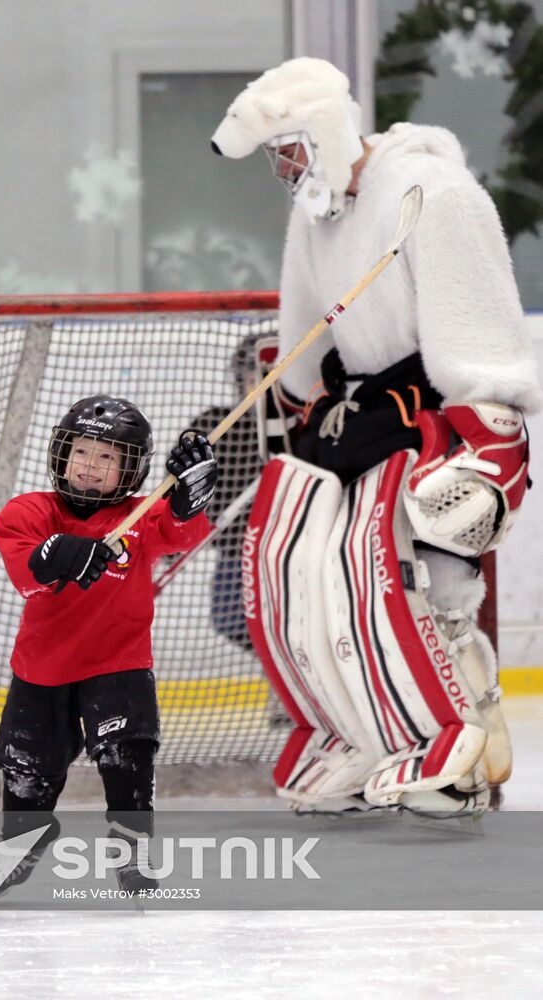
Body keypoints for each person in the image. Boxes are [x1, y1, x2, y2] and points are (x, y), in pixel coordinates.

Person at [211, 57, 540, 815]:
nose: (284, 167)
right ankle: (371, 739)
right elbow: (302, 335)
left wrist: (488, 437)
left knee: (432, 587)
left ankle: (459, 754)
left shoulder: (434, 193)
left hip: (430, 406)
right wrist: (298, 402)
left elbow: (481, 325)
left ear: (324, 130)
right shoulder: (317, 210)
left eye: (289, 147)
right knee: (329, 584)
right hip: (360, 413)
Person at [0, 395, 216, 898]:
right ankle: (20, 844)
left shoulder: (140, 517)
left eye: (107, 458)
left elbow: (181, 532)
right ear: (61, 452)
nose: (90, 467)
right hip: (42, 668)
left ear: (130, 470)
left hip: (118, 661)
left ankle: (132, 850)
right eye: (82, 452)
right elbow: (28, 571)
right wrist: (59, 555)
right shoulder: (30, 510)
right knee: (27, 770)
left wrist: (190, 500)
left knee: (128, 757)